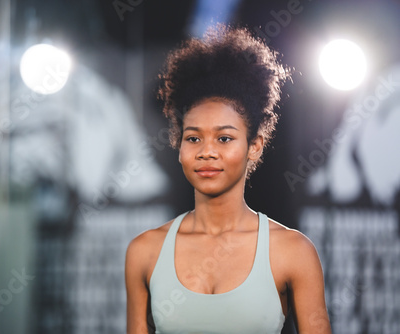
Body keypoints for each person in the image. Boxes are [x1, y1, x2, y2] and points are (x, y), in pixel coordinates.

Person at [125, 24, 331, 334]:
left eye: (224, 138)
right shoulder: (145, 251)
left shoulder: (292, 250)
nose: (207, 152)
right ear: (178, 145)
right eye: (193, 139)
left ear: (254, 146)